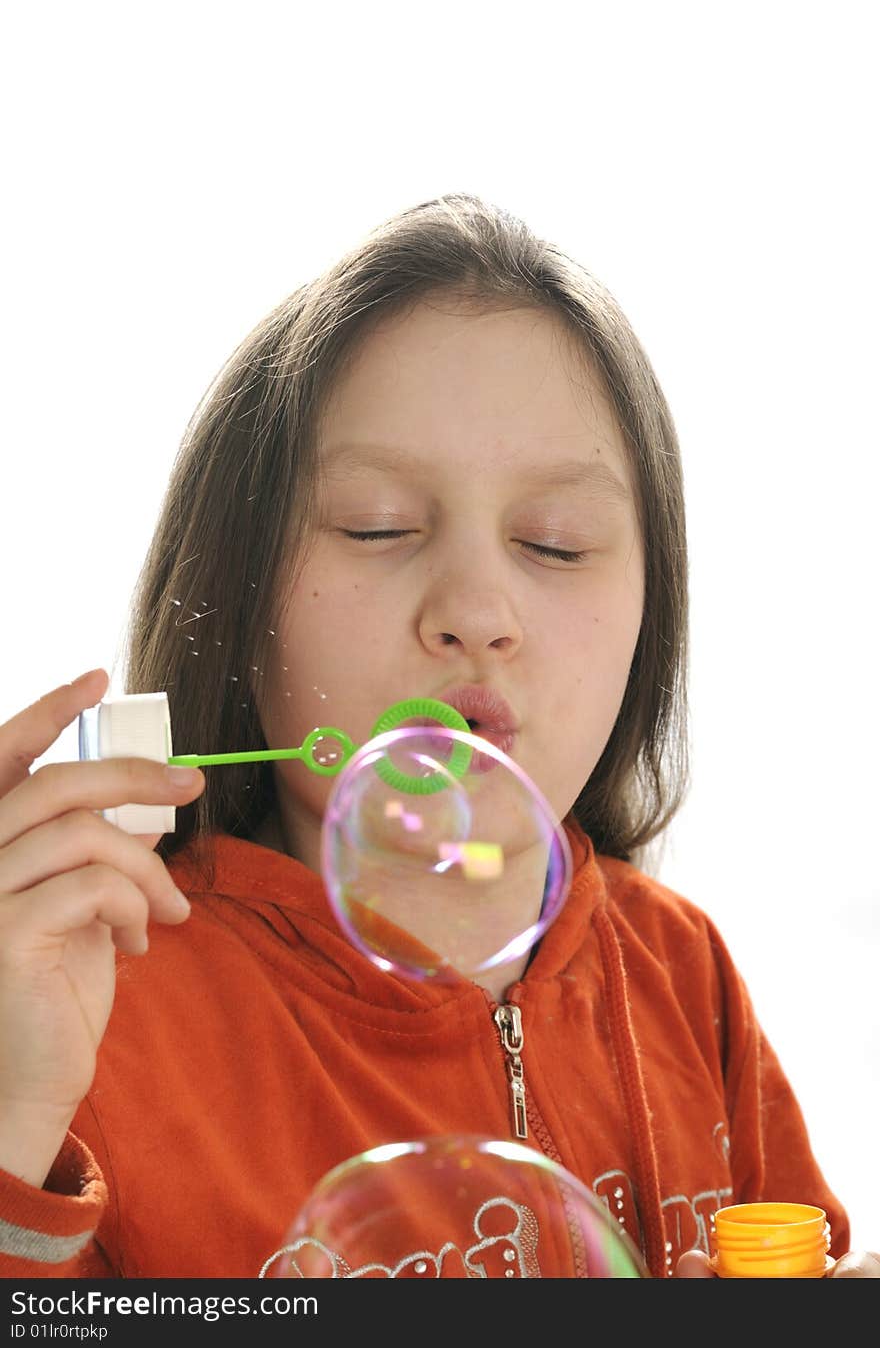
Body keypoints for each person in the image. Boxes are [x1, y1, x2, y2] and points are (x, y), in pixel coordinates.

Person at [0, 194, 875, 1281]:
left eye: (554, 546)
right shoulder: (85, 1001)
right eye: (379, 526)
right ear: (237, 590)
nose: (475, 607)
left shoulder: (675, 971)